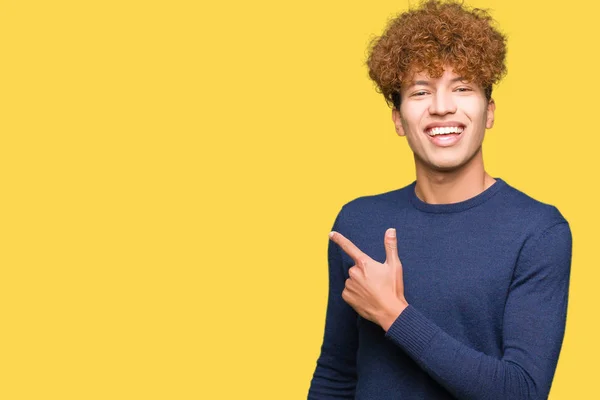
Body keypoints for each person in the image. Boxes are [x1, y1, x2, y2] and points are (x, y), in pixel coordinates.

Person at [307, 1, 573, 399]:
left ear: (489, 112)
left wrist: (393, 314)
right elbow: (336, 374)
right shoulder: (357, 223)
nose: (442, 106)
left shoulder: (538, 232)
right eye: (420, 91)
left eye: (463, 87)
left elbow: (523, 391)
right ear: (398, 119)